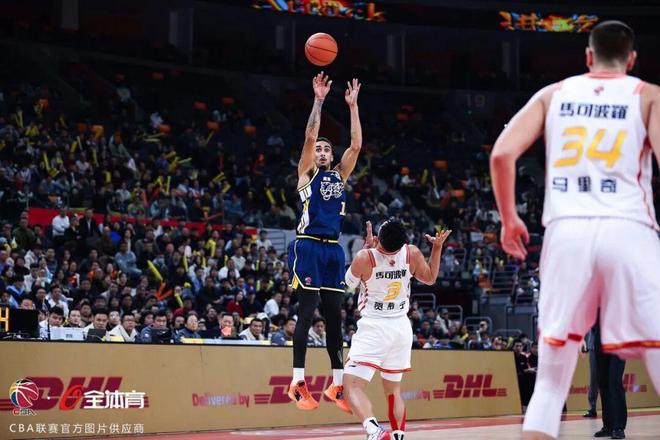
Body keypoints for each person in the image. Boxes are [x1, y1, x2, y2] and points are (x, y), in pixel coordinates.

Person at [489, 20, 660, 440]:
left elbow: (501, 155)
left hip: (566, 235)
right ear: (631, 60)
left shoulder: (553, 94)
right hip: (629, 231)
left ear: (588, 56)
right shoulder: (648, 95)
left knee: (549, 385)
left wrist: (510, 219)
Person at [287, 73, 362, 413]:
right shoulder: (306, 174)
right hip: (308, 246)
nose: (320, 151)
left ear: (332, 156)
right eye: (317, 148)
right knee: (306, 311)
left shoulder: (339, 175)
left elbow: (356, 146)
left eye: (325, 148)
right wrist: (319, 100)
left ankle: (337, 385)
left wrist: (353, 107)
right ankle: (297, 381)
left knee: (334, 316)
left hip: (333, 249)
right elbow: (309, 134)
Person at [342, 219, 451, 440]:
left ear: (379, 238)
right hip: (401, 327)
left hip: (374, 326)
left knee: (351, 386)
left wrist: (366, 249)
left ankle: (374, 431)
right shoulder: (411, 253)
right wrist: (437, 248)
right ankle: (398, 436)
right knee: (393, 391)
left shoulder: (365, 257)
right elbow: (430, 278)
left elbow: (348, 285)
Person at [592, 317, 627, 439]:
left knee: (614, 380)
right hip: (600, 336)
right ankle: (608, 425)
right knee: (603, 382)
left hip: (619, 336)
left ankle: (618, 427)